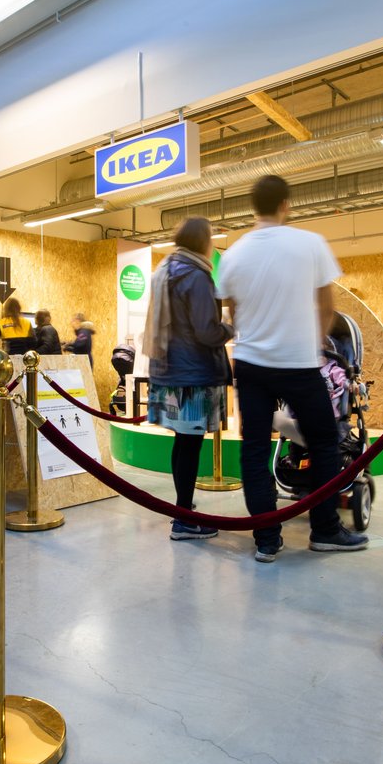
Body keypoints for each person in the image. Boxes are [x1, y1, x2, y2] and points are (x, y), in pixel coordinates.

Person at [216, 175, 368, 561]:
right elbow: (327, 306)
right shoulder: (309, 243)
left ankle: (266, 538)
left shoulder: (233, 253)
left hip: (250, 363)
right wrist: (314, 343)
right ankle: (325, 529)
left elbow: (233, 309)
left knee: (253, 448)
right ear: (285, 203)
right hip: (299, 363)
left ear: (254, 206)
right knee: (323, 442)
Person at [145, 217, 234, 541]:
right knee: (191, 444)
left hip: (168, 371)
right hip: (193, 374)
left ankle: (183, 512)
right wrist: (231, 327)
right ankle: (184, 518)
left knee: (182, 442)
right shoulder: (196, 275)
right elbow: (207, 331)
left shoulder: (165, 269)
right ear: (203, 241)